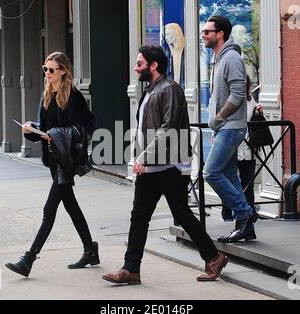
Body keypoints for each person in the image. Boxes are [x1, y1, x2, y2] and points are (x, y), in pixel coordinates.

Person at [102, 45, 228, 285]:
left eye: (139, 63)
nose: (135, 67)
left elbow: (167, 128)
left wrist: (143, 157)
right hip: (152, 165)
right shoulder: (150, 90)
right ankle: (131, 270)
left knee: (181, 213)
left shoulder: (170, 89)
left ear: (153, 65)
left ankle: (213, 257)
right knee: (139, 216)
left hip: (170, 165)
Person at [5, 52, 99, 278]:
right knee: (71, 206)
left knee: (49, 211)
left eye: (51, 70)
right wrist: (31, 129)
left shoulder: (74, 96)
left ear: (63, 71)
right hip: (53, 159)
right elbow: (44, 129)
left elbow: (88, 126)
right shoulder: (47, 95)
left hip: (66, 161)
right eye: (45, 69)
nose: (47, 74)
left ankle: (28, 259)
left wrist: (55, 135)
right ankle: (90, 250)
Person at [202, 15, 256, 243]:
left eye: (207, 31)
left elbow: (238, 94)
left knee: (211, 172)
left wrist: (219, 118)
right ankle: (245, 227)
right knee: (230, 175)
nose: (203, 35)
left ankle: (245, 213)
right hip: (224, 127)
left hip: (231, 127)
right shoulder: (219, 59)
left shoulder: (231, 58)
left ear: (220, 34)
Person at [221, 76, 261, 224]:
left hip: (248, 149)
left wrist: (258, 112)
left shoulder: (251, 102)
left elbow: (254, 124)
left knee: (248, 184)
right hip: (231, 148)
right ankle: (227, 213)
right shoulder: (227, 102)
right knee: (230, 182)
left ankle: (250, 214)